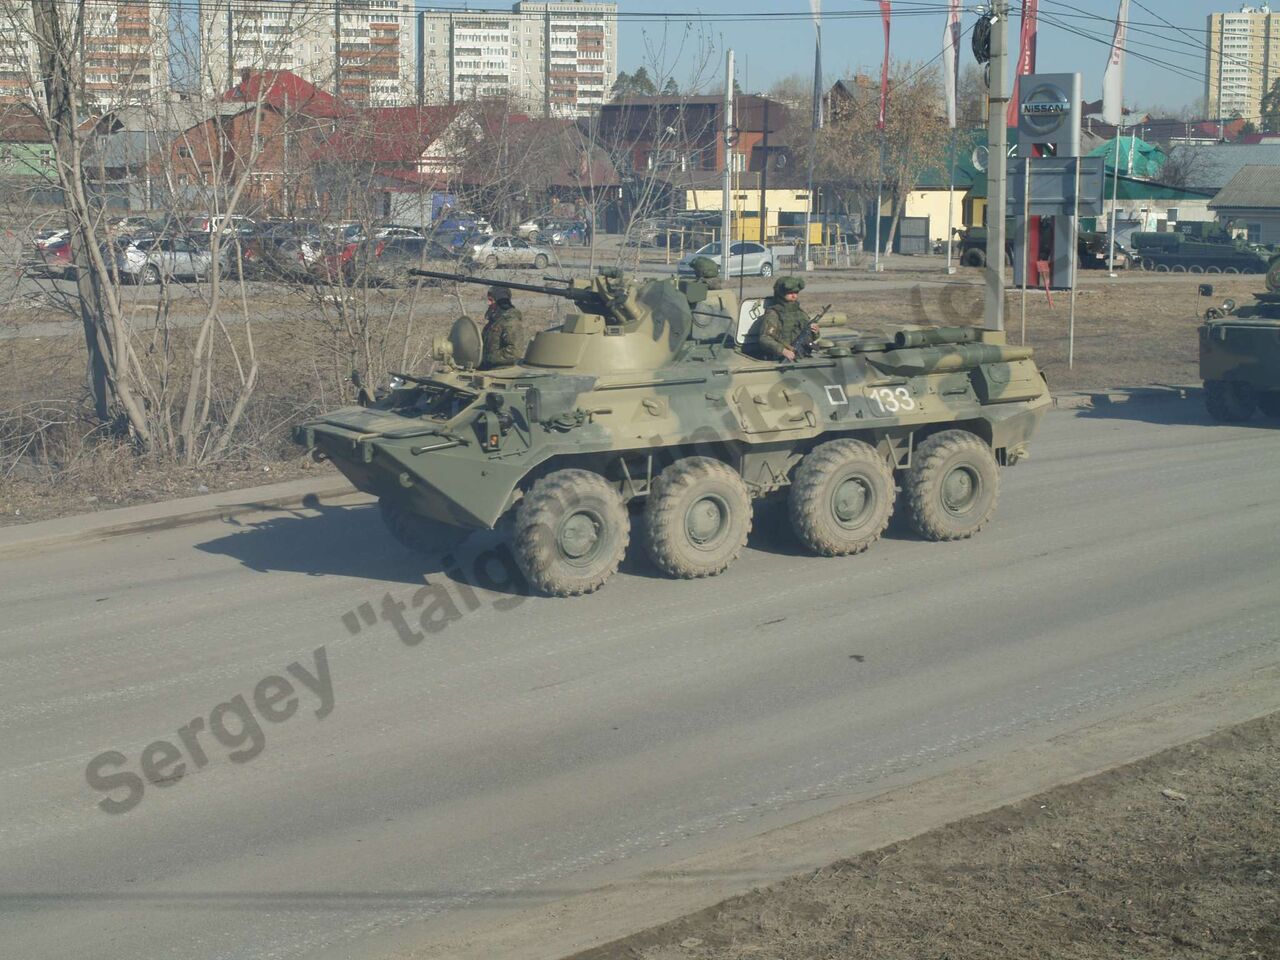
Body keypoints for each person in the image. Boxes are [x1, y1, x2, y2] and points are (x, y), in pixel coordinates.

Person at [754, 276, 819, 361]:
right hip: (781, 358)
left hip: (802, 357)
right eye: (790, 293)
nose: (794, 296)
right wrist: (782, 350)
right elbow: (765, 339)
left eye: (796, 292)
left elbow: (809, 337)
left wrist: (815, 332)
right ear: (781, 293)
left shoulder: (800, 313)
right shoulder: (774, 314)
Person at [479, 285, 526, 369]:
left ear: (499, 301)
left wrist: (489, 358)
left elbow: (514, 352)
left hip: (503, 370)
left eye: (491, 300)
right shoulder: (495, 320)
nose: (488, 303)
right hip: (488, 368)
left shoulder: (511, 322)